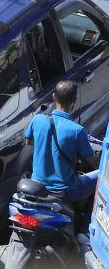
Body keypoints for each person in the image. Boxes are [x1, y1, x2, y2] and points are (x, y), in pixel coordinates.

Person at [24, 80, 99, 208]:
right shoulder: (77, 130)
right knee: (100, 174)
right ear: (74, 101)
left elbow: (29, 143)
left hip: (37, 187)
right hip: (65, 192)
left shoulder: (37, 120)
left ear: (54, 96)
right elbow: (92, 163)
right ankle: (86, 221)